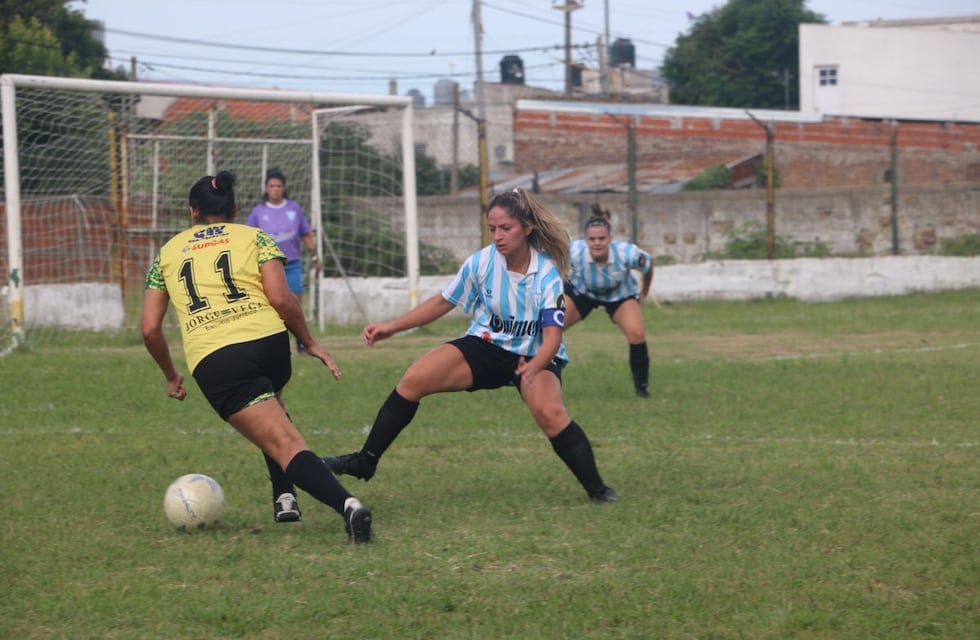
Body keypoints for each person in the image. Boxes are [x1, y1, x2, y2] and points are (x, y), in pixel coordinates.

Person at [324, 188, 617, 504]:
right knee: (413, 380)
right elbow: (442, 301)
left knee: (550, 413)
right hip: (486, 345)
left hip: (535, 354)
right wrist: (391, 328)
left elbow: (553, 337)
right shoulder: (482, 262)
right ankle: (365, 461)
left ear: (527, 228)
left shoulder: (545, 274)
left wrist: (533, 366)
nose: (498, 236)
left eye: (506, 228)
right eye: (492, 229)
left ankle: (598, 490)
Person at [141, 170, 373, 543]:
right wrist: (309, 342)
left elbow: (150, 328)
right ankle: (284, 497)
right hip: (270, 343)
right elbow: (282, 299)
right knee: (272, 406)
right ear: (234, 208)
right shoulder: (256, 237)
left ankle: (349, 507)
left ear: (192, 212)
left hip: (218, 359)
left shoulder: (167, 254)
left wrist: (171, 375)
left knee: (283, 442)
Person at [564, 203, 654, 398]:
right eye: (592, 239)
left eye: (602, 238)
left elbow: (648, 264)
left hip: (619, 295)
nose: (597, 243)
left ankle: (642, 389)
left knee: (637, 334)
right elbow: (549, 264)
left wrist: (643, 293)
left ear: (610, 239)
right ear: (585, 240)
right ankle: (534, 378)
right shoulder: (573, 252)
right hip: (582, 292)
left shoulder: (627, 254)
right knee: (550, 329)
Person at [246, 167, 318, 354]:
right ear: (266, 188)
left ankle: (302, 342)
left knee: (295, 302)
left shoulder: (294, 209)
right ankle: (274, 342)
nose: (275, 189)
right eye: (272, 185)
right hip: (268, 266)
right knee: (272, 304)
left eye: (278, 185)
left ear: (284, 188)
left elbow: (306, 233)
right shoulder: (258, 212)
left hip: (292, 263)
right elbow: (248, 238)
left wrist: (315, 255)